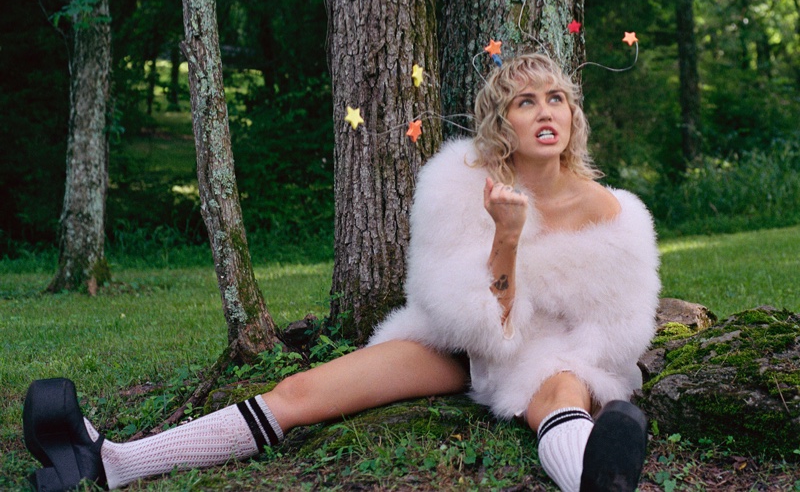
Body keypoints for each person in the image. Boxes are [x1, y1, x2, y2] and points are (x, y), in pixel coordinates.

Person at [23, 53, 661, 492]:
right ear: (504, 121)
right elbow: (475, 323)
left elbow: (616, 333)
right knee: (301, 394)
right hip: (463, 344)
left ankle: (593, 477)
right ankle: (111, 463)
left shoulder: (614, 214)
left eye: (557, 99)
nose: (546, 111)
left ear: (573, 117)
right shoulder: (458, 184)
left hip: (548, 352)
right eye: (527, 102)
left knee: (560, 393)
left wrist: (566, 369)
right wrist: (506, 237)